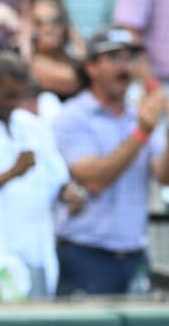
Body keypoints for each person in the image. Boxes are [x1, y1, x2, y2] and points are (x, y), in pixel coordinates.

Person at [52, 26, 169, 296]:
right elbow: (94, 179)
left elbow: (164, 175)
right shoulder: (72, 116)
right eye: (115, 58)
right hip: (85, 256)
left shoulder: (139, 115)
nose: (125, 66)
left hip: (135, 256)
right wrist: (142, 133)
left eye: (130, 58)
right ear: (91, 67)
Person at [0, 54, 76, 299]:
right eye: (9, 95)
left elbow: (59, 179)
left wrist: (70, 192)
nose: (17, 103)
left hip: (38, 254)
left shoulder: (33, 126)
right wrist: (12, 173)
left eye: (21, 95)